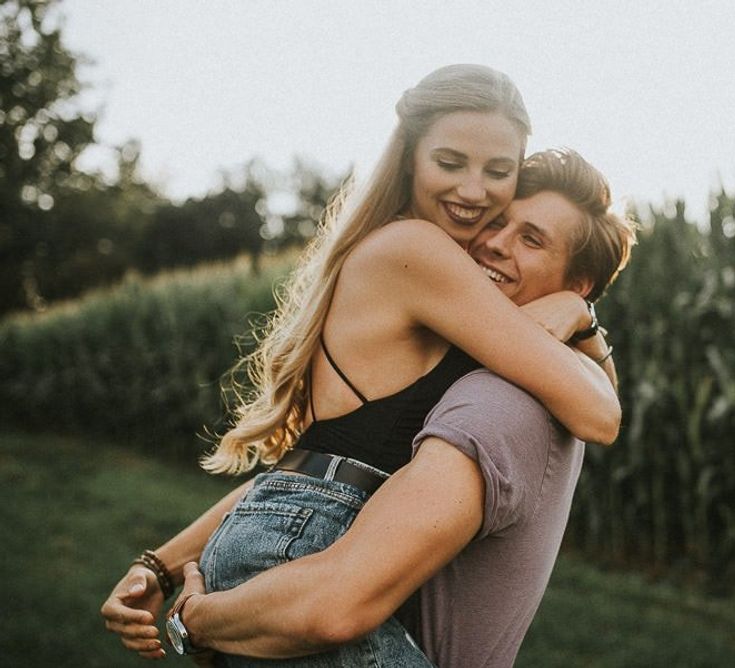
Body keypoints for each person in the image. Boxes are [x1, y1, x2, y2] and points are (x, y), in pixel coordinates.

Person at [101, 66, 619, 664]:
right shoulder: (416, 251)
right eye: (450, 163)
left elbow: (315, 468)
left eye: (498, 172)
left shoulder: (434, 275)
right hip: (306, 552)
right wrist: (575, 310)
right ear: (409, 156)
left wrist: (160, 565)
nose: (475, 193)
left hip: (292, 529)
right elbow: (600, 414)